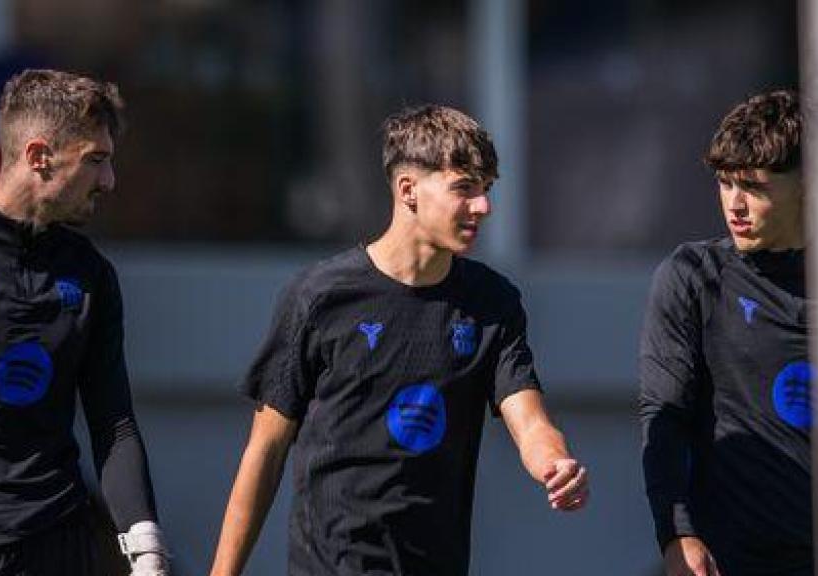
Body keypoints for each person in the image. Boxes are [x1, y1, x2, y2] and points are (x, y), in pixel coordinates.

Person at [210, 104, 589, 576]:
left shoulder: (492, 304)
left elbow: (529, 421)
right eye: (464, 188)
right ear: (408, 191)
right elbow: (265, 450)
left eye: (486, 190)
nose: (483, 207)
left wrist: (555, 462)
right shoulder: (319, 298)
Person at [0, 69, 170, 575]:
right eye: (96, 161)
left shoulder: (91, 275)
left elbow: (114, 423)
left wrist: (146, 548)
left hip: (61, 544)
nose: (109, 181)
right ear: (39, 156)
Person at [639, 89, 818, 576]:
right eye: (725, 184)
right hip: (730, 561)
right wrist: (677, 534)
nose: (735, 204)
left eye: (753, 186)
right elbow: (664, 421)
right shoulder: (692, 277)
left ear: (808, 185)